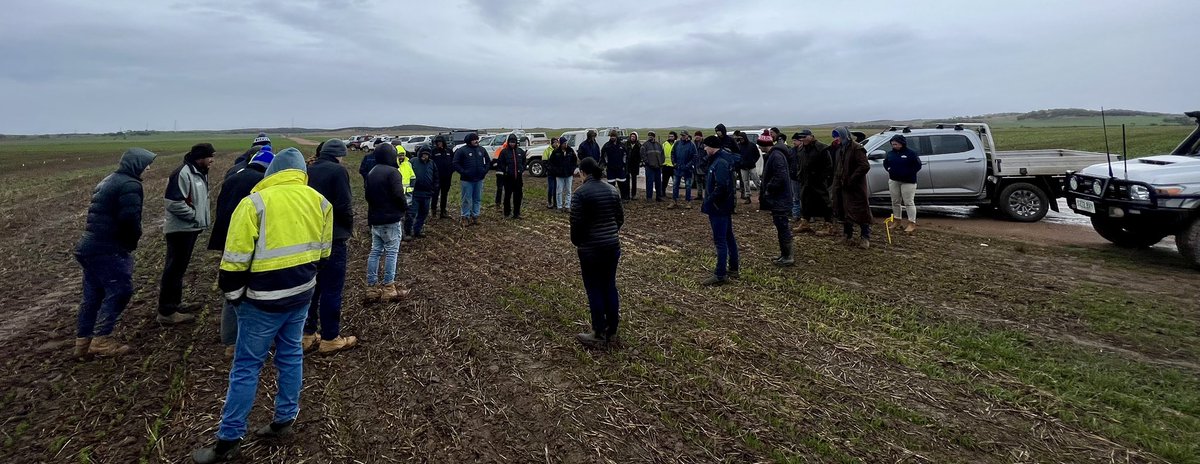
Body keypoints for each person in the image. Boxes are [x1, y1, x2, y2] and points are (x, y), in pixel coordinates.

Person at [191, 148, 333, 464]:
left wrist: (235, 297)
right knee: (291, 354)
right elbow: (324, 256)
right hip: (301, 295)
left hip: (260, 302)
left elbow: (233, 264)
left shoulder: (254, 203)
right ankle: (284, 419)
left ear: (272, 172)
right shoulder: (321, 202)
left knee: (245, 367)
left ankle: (228, 441)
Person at [72, 148, 157, 357]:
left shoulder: (109, 179)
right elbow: (130, 219)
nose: (148, 168)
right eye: (146, 163)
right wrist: (131, 241)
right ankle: (101, 341)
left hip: (89, 247)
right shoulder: (130, 184)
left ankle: (82, 344)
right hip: (108, 248)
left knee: (93, 296)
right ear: (136, 164)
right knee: (121, 290)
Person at [207, 149, 272, 357]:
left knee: (232, 289)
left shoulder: (233, 177)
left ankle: (229, 341)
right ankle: (250, 339)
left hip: (227, 239)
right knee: (251, 289)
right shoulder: (261, 183)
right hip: (247, 240)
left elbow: (220, 208)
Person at [303, 139, 357, 354]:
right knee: (331, 289)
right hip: (333, 237)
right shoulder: (337, 171)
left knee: (311, 288)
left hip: (309, 237)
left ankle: (307, 335)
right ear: (338, 154)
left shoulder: (308, 170)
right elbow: (344, 204)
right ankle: (330, 338)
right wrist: (349, 227)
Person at [157, 143, 214, 325]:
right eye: (210, 156)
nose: (212, 160)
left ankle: (175, 304)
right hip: (180, 229)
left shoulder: (197, 171)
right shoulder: (183, 173)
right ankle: (167, 311)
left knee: (179, 269)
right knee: (173, 269)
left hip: (189, 228)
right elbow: (173, 202)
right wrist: (194, 216)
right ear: (200, 157)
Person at [570, 157, 624, 348]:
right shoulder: (612, 189)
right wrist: (609, 234)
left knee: (594, 289)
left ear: (583, 172)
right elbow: (619, 219)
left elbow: (576, 225)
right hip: (612, 246)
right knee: (609, 286)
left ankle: (598, 333)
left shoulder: (580, 194)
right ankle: (613, 330)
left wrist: (579, 242)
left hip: (591, 249)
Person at [364, 144, 411, 301]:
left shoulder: (371, 172)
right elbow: (398, 194)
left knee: (375, 251)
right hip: (390, 219)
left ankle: (371, 288)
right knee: (391, 253)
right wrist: (405, 208)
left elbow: (367, 196)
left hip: (375, 219)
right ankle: (389, 287)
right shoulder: (393, 172)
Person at [700, 136, 740, 286]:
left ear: (712, 147)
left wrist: (709, 200)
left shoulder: (720, 163)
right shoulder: (718, 160)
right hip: (721, 207)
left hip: (719, 208)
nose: (704, 149)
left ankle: (720, 274)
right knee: (728, 237)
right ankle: (734, 268)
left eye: (706, 146)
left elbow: (722, 187)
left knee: (721, 241)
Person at [830, 126, 873, 248]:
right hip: (843, 187)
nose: (836, 139)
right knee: (845, 212)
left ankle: (865, 238)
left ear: (844, 135)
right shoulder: (842, 148)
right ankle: (847, 236)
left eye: (837, 136)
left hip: (855, 187)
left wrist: (852, 178)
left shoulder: (857, 148)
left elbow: (864, 166)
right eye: (834, 136)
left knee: (861, 212)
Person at [758, 131, 795, 266]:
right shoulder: (774, 154)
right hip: (779, 198)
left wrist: (769, 189)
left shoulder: (776, 156)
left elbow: (780, 176)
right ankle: (784, 254)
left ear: (763, 144)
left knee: (783, 226)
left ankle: (788, 256)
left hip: (781, 198)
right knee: (780, 226)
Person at [795, 130, 833, 233]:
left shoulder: (821, 148)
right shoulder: (801, 149)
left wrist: (822, 178)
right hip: (805, 180)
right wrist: (800, 174)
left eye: (805, 137)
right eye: (801, 137)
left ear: (811, 136)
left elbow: (828, 166)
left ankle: (828, 225)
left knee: (824, 202)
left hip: (818, 181)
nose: (803, 139)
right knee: (805, 202)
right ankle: (805, 223)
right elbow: (800, 163)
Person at [884, 134, 921, 234]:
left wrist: (908, 173)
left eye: (895, 143)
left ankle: (911, 223)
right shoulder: (890, 153)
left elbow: (917, 166)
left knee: (908, 202)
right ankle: (897, 220)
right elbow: (886, 163)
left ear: (901, 143)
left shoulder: (911, 153)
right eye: (892, 144)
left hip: (908, 182)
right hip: (894, 180)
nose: (893, 145)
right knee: (895, 201)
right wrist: (889, 169)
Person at [453, 133, 490, 225]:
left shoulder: (481, 150)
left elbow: (488, 161)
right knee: (466, 198)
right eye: (474, 139)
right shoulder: (462, 150)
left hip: (479, 179)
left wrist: (484, 170)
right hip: (467, 180)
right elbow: (455, 163)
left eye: (477, 139)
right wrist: (464, 172)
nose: (476, 141)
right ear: (469, 140)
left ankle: (475, 215)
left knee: (477, 198)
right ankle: (465, 216)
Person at [496, 134, 528, 219]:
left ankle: (516, 213)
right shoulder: (504, 152)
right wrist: (505, 171)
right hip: (508, 178)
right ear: (508, 142)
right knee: (507, 196)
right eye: (510, 142)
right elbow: (500, 163)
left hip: (518, 178)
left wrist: (522, 169)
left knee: (518, 196)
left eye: (513, 142)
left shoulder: (520, 151)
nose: (512, 144)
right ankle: (507, 213)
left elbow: (524, 162)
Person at [410, 146, 439, 237]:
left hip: (427, 193)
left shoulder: (431, 163)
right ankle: (407, 232)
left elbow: (436, 176)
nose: (424, 156)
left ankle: (417, 230)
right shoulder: (413, 161)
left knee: (423, 213)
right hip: (415, 193)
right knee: (412, 213)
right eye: (423, 154)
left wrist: (435, 187)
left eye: (426, 154)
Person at [548, 136, 578, 211]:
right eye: (564, 143)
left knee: (568, 190)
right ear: (561, 144)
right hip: (559, 175)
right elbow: (551, 163)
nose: (565, 144)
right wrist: (556, 171)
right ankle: (559, 206)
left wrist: (572, 169)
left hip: (568, 174)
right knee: (559, 191)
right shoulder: (556, 152)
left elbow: (574, 161)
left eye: (566, 143)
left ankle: (567, 206)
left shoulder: (570, 151)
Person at [668, 132, 697, 208]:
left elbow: (695, 156)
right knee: (675, 185)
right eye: (682, 135)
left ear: (687, 135)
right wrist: (674, 163)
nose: (683, 137)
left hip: (687, 169)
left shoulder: (692, 145)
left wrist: (688, 165)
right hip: (678, 168)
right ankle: (674, 201)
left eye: (684, 135)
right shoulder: (677, 143)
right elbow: (672, 153)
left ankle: (688, 202)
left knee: (688, 186)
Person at [429, 136, 455, 219]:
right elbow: (430, 164)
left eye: (440, 142)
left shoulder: (449, 151)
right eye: (437, 142)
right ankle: (433, 211)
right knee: (435, 194)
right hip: (436, 177)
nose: (439, 143)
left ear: (443, 142)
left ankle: (443, 211)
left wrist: (451, 170)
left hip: (447, 177)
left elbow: (453, 161)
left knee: (445, 194)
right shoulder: (433, 151)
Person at [601, 129, 629, 200]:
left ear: (616, 136)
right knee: (611, 185)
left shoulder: (622, 145)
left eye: (613, 136)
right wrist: (606, 165)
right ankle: (612, 199)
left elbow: (625, 155)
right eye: (611, 136)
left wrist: (624, 164)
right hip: (610, 169)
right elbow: (603, 156)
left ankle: (624, 198)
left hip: (620, 169)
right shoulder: (606, 146)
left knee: (622, 185)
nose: (612, 137)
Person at [735, 131, 761, 205]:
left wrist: (753, 161)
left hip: (751, 166)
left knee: (756, 180)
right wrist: (740, 164)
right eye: (739, 138)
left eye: (742, 138)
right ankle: (748, 197)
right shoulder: (739, 146)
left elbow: (757, 155)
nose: (741, 139)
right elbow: (737, 156)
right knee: (745, 182)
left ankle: (761, 194)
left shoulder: (752, 145)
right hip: (743, 167)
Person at [641, 131, 665, 202]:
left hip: (658, 167)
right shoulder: (645, 145)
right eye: (649, 136)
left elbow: (662, 155)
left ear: (654, 137)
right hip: (649, 167)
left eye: (651, 136)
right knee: (649, 182)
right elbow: (642, 155)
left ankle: (659, 196)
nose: (650, 137)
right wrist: (647, 162)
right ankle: (649, 197)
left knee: (658, 183)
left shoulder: (659, 145)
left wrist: (661, 163)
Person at [399, 150, 416, 241]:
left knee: (409, 215)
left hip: (408, 195)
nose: (401, 157)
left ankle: (408, 231)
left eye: (402, 155)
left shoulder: (408, 164)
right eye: (399, 155)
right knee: (399, 216)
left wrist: (411, 188)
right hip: (398, 195)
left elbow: (413, 177)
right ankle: (401, 235)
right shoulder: (394, 165)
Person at [786, 133, 804, 220]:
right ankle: (796, 215)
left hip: (804, 178)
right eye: (793, 140)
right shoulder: (791, 151)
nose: (793, 142)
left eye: (795, 140)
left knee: (805, 197)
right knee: (796, 197)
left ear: (800, 141)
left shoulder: (806, 150)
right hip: (794, 177)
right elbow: (788, 163)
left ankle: (807, 216)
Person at [624, 132, 642, 199]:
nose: (632, 138)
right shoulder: (626, 144)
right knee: (627, 180)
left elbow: (640, 155)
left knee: (634, 180)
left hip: (635, 164)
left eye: (634, 136)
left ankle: (633, 195)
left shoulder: (638, 145)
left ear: (636, 137)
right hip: (627, 164)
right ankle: (627, 195)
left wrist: (640, 162)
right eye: (631, 136)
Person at [544, 138, 559, 208]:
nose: (556, 144)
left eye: (557, 142)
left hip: (557, 173)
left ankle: (555, 202)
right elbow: (544, 161)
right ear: (552, 143)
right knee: (551, 187)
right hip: (550, 173)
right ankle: (549, 201)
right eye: (555, 142)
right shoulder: (547, 150)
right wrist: (549, 169)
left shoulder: (559, 150)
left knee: (556, 188)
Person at [693, 131, 707, 201]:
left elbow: (708, 153)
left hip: (704, 166)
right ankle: (699, 195)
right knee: (698, 181)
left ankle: (707, 195)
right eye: (696, 136)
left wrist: (704, 160)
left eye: (698, 135)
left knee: (706, 181)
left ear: (701, 136)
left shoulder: (705, 144)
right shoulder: (693, 144)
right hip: (696, 165)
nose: (697, 137)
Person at [661, 131, 675, 200]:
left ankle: (675, 195)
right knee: (664, 181)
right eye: (669, 136)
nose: (670, 138)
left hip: (674, 166)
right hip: (666, 165)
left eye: (672, 136)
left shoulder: (676, 144)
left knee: (675, 182)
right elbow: (661, 154)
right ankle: (663, 194)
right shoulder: (664, 144)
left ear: (675, 137)